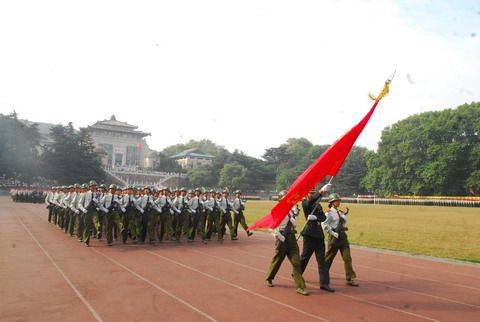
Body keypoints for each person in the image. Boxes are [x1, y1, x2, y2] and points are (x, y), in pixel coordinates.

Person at [265, 191, 308, 296]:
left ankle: (300, 287)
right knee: (278, 259)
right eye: (284, 199)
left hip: (291, 238)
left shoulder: (290, 211)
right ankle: (269, 278)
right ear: (280, 200)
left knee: (296, 262)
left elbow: (294, 224)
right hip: (282, 238)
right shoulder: (276, 211)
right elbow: (271, 227)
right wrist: (279, 236)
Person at [299, 183, 334, 292]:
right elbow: (309, 203)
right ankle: (297, 273)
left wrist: (316, 217)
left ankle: (324, 283)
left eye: (314, 192)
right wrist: (320, 192)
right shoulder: (305, 202)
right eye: (311, 193)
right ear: (307, 194)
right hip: (309, 235)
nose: (312, 194)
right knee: (305, 258)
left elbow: (323, 217)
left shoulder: (318, 204)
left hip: (318, 235)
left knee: (321, 261)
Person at [322, 193, 359, 288]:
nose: (338, 202)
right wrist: (333, 233)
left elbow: (343, 222)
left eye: (339, 200)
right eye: (336, 200)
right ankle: (323, 276)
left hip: (343, 237)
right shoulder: (328, 213)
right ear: (331, 202)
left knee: (347, 258)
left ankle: (350, 278)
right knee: (328, 258)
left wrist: (344, 219)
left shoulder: (340, 212)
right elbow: (324, 225)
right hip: (334, 238)